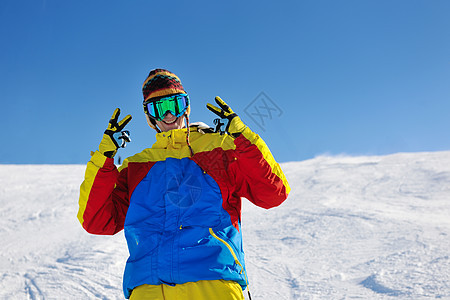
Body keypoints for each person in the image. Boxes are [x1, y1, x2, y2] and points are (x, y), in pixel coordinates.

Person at [77, 69, 290, 300]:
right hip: (149, 288)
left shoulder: (220, 150)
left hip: (213, 282)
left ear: (186, 107)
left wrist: (241, 137)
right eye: (159, 107)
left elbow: (273, 193)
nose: (169, 115)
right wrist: (103, 159)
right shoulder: (135, 166)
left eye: (175, 104)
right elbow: (96, 221)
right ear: (150, 117)